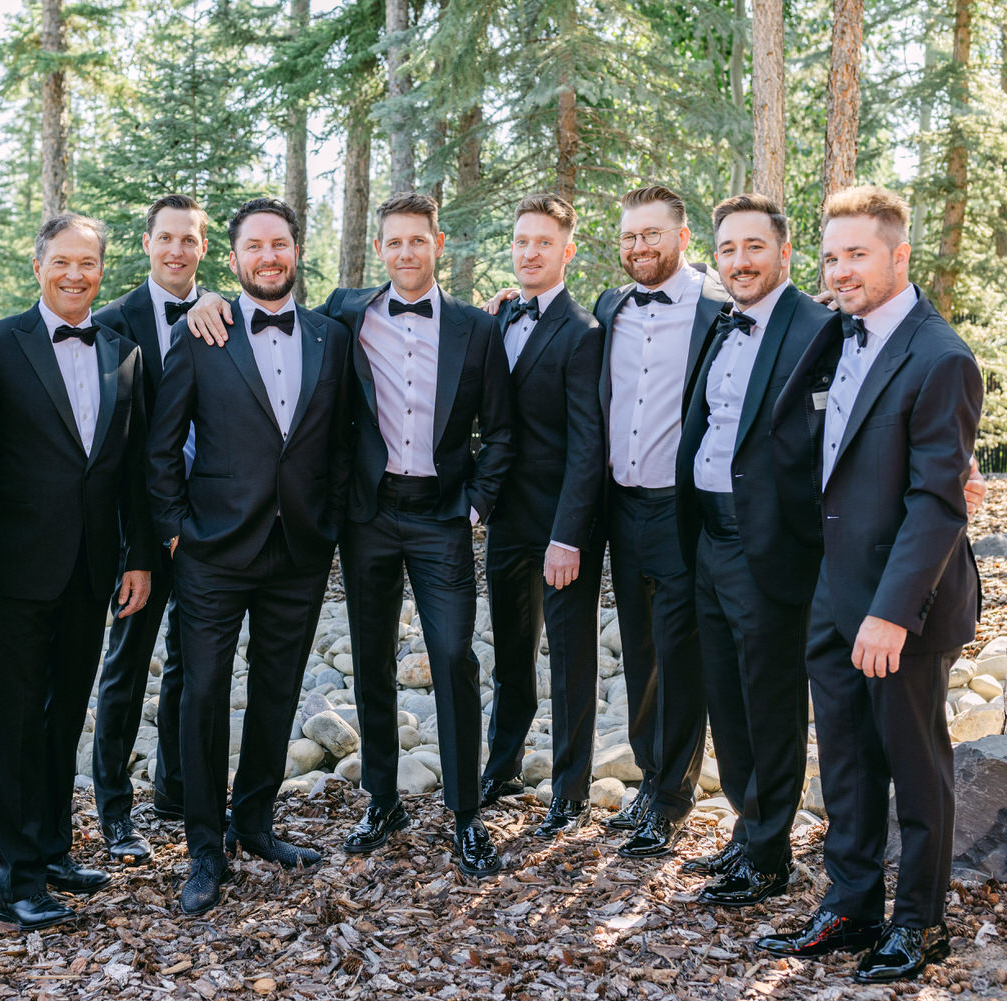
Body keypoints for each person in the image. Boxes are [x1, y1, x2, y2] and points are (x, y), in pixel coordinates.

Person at [186, 192, 515, 878]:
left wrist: (476, 504)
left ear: (438, 245)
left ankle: (465, 815)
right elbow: (263, 301)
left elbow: (502, 430)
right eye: (392, 242)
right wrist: (205, 298)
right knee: (370, 660)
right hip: (367, 515)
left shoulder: (476, 329)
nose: (404, 253)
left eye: (416, 241)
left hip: (441, 514)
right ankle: (383, 798)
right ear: (380, 250)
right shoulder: (346, 312)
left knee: (454, 653)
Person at [759, 185, 982, 983]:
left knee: (916, 766)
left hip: (903, 602)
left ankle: (920, 924)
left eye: (857, 253)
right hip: (832, 590)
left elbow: (935, 500)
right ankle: (851, 905)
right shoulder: (834, 333)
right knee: (846, 760)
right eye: (831, 255)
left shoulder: (941, 355)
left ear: (899, 255)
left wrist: (892, 613)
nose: (841, 269)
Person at [149, 197, 353, 915]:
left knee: (276, 690)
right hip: (212, 549)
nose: (269, 257)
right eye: (255, 247)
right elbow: (162, 441)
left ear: (296, 252)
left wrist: (328, 526)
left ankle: (256, 822)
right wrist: (174, 528)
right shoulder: (201, 332)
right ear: (232, 259)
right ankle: (205, 847)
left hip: (298, 549)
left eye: (281, 244)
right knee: (202, 694)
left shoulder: (333, 335)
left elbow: (344, 439)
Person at [0, 213, 155, 931]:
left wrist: (135, 557)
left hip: (92, 568)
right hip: (10, 573)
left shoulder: (123, 354)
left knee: (65, 712)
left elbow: (129, 468)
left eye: (89, 263)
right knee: (14, 722)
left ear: (102, 269)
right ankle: (17, 876)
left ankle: (54, 849)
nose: (76, 274)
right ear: (38, 264)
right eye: (63, 261)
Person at [673, 193, 834, 903]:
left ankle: (769, 857)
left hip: (770, 541)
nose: (740, 261)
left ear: (785, 253)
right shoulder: (719, 319)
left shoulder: (818, 327)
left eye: (754, 247)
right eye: (728, 249)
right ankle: (746, 827)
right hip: (707, 535)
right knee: (726, 696)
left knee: (768, 697)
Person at [594, 185, 726, 857]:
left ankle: (672, 796)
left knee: (679, 650)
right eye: (629, 237)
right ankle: (651, 778)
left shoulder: (719, 308)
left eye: (651, 234)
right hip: (621, 505)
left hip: (683, 509)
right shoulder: (609, 306)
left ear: (681, 238)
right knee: (640, 649)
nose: (639, 247)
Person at [477, 193, 605, 839]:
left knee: (571, 660)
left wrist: (568, 535)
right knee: (510, 655)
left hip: (561, 531)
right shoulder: (496, 318)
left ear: (567, 251)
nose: (530, 252)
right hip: (505, 523)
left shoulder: (583, 333)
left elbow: (588, 446)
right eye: (522, 241)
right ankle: (500, 768)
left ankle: (570, 790)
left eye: (543, 243)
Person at [90, 194, 210, 861]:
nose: (176, 251)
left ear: (202, 246)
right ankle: (114, 809)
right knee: (127, 664)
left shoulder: (224, 315)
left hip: (203, 528)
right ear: (147, 243)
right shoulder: (111, 323)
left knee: (194, 664)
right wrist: (137, 538)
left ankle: (176, 788)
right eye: (166, 238)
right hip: (136, 531)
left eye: (189, 240)